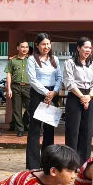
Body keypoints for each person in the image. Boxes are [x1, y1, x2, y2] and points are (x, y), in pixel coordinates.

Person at [24, 33, 61, 169]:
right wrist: (46, 93)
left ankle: (48, 161)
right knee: (34, 129)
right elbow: (32, 80)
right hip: (38, 94)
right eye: (43, 44)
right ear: (37, 45)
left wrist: (54, 92)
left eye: (48, 44)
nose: (46, 47)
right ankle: (33, 164)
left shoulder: (55, 59)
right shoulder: (32, 60)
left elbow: (59, 77)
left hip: (52, 94)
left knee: (49, 129)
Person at [61, 37, 93, 163]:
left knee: (87, 132)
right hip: (75, 96)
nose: (88, 50)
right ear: (78, 47)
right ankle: (71, 163)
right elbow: (69, 82)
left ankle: (84, 162)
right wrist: (82, 96)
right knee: (73, 131)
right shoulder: (69, 63)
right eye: (85, 47)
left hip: (89, 96)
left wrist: (89, 96)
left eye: (90, 47)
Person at [4, 40, 31, 137]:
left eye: (26, 47)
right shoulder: (12, 60)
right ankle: (20, 129)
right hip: (16, 87)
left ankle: (26, 125)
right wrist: (9, 88)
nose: (24, 49)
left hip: (28, 87)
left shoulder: (32, 60)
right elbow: (8, 74)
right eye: (22, 47)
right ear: (18, 48)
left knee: (30, 109)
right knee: (16, 109)